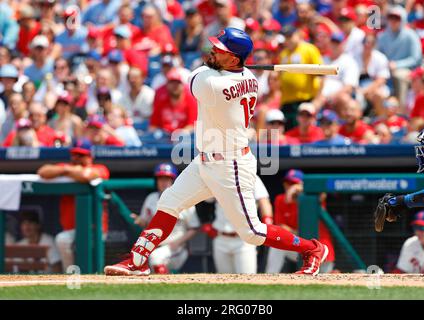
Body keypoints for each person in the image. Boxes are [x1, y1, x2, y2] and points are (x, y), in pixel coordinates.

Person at [104, 27, 329, 276]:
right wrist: (224, 64)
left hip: (231, 165)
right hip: (205, 162)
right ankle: (136, 261)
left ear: (233, 59)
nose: (213, 51)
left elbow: (197, 73)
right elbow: (215, 67)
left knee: (252, 232)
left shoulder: (211, 84)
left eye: (220, 50)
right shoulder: (249, 79)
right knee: (168, 202)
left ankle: (312, 249)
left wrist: (217, 66)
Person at [37, 140, 110, 271]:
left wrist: (67, 171)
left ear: (90, 157)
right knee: (62, 240)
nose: (77, 159)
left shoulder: (100, 168)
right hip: (71, 229)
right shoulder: (66, 168)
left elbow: (85, 176)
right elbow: (43, 171)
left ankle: (94, 278)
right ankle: (72, 275)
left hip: (94, 228)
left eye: (81, 155)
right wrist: (67, 169)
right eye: (75, 155)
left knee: (91, 259)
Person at [130, 163, 200, 274]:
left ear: (173, 180)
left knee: (156, 258)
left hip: (175, 247)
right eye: (160, 179)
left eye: (167, 179)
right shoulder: (151, 198)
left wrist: (177, 242)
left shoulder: (185, 198)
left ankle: (164, 284)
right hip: (153, 246)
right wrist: (140, 220)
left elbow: (194, 227)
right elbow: (146, 223)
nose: (163, 182)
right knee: (138, 268)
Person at [265, 170, 335, 273]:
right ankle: (269, 277)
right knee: (277, 242)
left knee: (323, 281)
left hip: (322, 249)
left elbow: (323, 193)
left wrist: (304, 190)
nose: (290, 187)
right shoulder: (280, 199)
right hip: (301, 246)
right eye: (288, 183)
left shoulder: (313, 198)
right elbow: (281, 227)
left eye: (294, 183)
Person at [210, 175, 273, 274]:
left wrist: (267, 222)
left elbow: (263, 201)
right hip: (221, 238)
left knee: (247, 279)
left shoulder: (251, 176)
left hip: (244, 239)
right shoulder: (217, 177)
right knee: (223, 282)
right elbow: (205, 200)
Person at [377, 6, 422, 109]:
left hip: (408, 70)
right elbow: (378, 56)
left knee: (400, 76)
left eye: (397, 18)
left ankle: (401, 110)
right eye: (391, 17)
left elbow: (416, 58)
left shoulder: (411, 35)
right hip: (386, 69)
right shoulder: (382, 36)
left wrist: (397, 64)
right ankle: (382, 112)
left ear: (403, 20)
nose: (393, 21)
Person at [278, 25, 323, 130]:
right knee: (289, 133)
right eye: (286, 37)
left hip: (304, 99)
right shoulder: (283, 54)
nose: (288, 40)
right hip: (286, 101)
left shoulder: (309, 49)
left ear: (298, 34)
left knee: (303, 133)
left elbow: (321, 76)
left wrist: (318, 99)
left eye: (290, 36)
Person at [149, 69, 197, 134]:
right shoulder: (161, 101)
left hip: (184, 138)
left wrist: (181, 134)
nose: (175, 86)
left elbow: (192, 124)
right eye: (172, 83)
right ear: (167, 85)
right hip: (164, 138)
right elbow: (153, 125)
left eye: (177, 83)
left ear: (182, 85)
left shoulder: (191, 100)